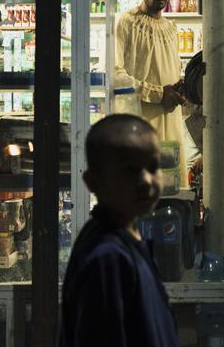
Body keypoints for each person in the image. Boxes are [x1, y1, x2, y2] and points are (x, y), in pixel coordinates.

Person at [61, 114, 180, 347]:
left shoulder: (128, 240)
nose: (146, 181)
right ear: (93, 182)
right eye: (129, 171)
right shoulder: (107, 258)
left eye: (153, 167)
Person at [115, 0, 186, 158]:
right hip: (139, 121)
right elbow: (114, 74)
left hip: (169, 122)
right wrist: (157, 94)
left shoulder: (171, 29)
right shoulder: (127, 22)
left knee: (170, 183)